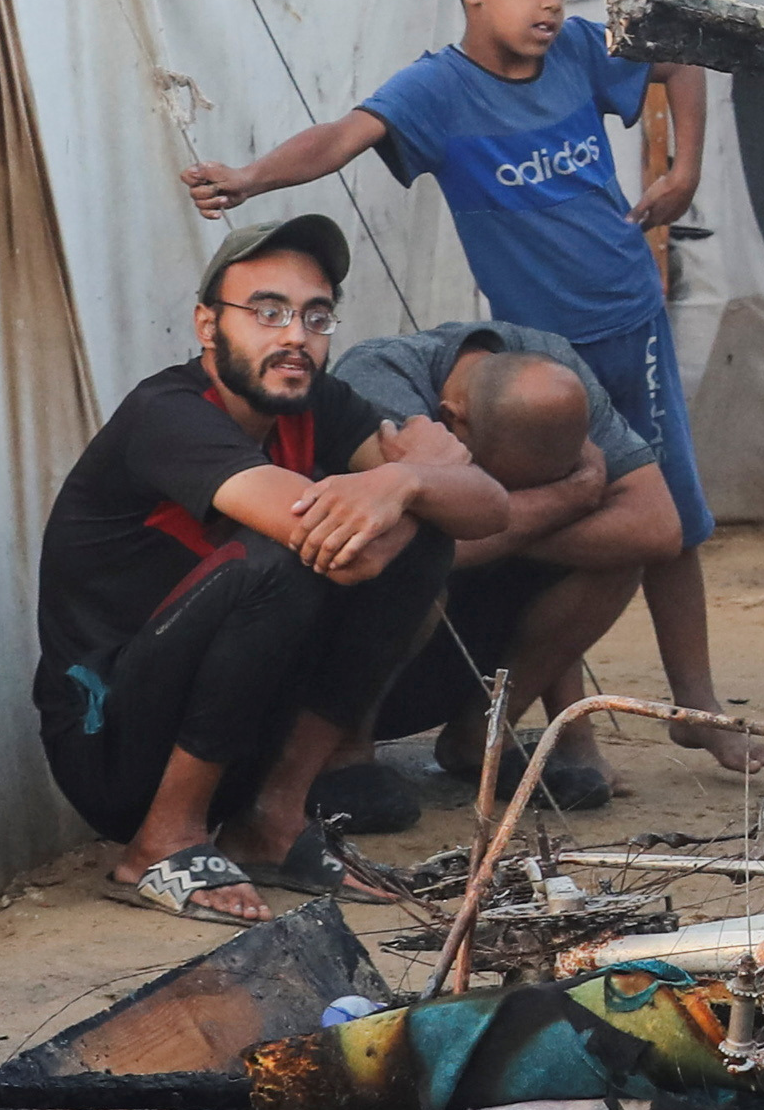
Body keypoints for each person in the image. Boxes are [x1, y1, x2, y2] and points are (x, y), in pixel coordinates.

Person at [183, 0, 744, 795]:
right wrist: (250, 178)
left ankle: (697, 706)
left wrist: (683, 170)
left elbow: (680, 52)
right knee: (555, 506)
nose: (553, 0)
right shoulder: (436, 91)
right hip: (537, 359)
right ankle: (559, 734)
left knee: (672, 521)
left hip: (631, 320)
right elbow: (342, 136)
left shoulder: (579, 51)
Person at [34, 215, 497, 923]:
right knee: (283, 558)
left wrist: (403, 482)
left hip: (236, 735)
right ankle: (161, 840)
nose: (295, 336)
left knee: (423, 543)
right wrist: (416, 480)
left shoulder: (315, 402)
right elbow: (347, 554)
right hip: (113, 744)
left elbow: (490, 508)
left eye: (316, 316)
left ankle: (271, 820)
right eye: (268, 312)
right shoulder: (168, 416)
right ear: (208, 325)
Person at [321, 321, 691, 801]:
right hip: (357, 666)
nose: (515, 501)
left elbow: (657, 528)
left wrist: (493, 526)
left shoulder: (554, 373)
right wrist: (568, 497)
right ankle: (345, 752)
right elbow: (403, 547)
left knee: (619, 554)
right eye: (501, 485)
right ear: (452, 421)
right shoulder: (380, 379)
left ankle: (481, 737)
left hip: (473, 648)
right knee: (411, 570)